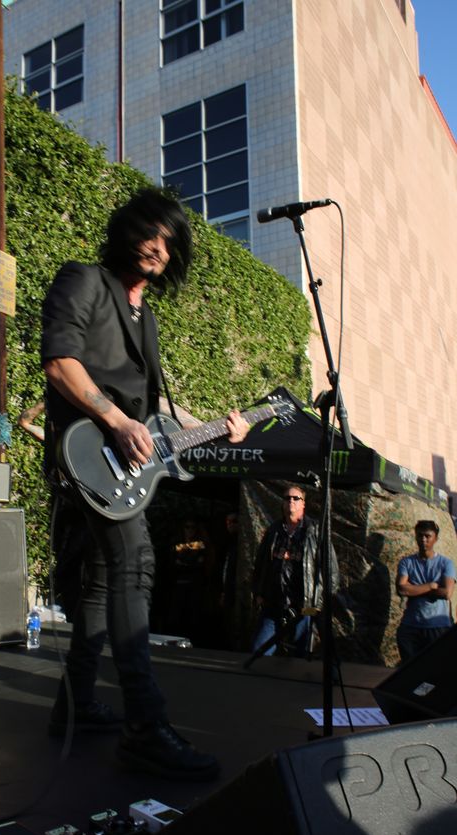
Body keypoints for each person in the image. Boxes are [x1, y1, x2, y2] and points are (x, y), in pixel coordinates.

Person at [41, 187, 249, 780]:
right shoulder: (84, 280)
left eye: (170, 240)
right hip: (86, 453)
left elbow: (155, 412)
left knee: (102, 583)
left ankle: (76, 704)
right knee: (135, 563)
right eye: (151, 233)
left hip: (120, 461)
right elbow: (59, 362)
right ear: (128, 231)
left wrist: (217, 427)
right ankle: (144, 727)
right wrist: (115, 419)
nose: (159, 247)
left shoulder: (146, 318)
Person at [250, 485, 339, 657]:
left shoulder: (315, 531)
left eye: (296, 498)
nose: (291, 501)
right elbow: (261, 564)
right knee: (259, 651)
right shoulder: (274, 530)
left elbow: (332, 573)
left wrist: (317, 604)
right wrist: (259, 592)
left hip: (304, 606)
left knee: (300, 656)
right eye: (287, 498)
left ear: (303, 503)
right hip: (274, 603)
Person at [395, 520, 455, 662]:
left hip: (437, 626)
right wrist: (430, 586)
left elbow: (446, 593)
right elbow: (402, 589)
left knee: (436, 667)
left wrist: (415, 589)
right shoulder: (407, 562)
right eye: (420, 535)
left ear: (436, 538)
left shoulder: (445, 563)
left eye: (427, 536)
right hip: (411, 626)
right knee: (410, 667)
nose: (423, 540)